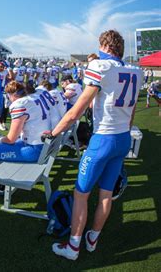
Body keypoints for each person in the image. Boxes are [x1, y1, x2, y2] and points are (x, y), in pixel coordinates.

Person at [47, 30, 142, 261]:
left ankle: (73, 246)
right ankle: (92, 238)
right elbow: (131, 114)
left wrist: (53, 132)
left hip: (103, 139)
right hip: (122, 138)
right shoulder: (136, 71)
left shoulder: (102, 66)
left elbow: (76, 110)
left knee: (81, 194)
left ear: (106, 46)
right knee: (106, 194)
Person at [0, 81, 51, 170]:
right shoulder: (34, 97)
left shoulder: (19, 104)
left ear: (12, 95)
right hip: (44, 146)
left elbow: (11, 139)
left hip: (35, 149)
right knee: (2, 148)